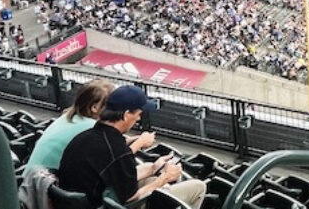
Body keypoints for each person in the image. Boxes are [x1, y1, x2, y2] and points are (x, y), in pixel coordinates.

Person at [58, 85, 205, 208]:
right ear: (127, 114)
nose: (139, 118)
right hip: (101, 204)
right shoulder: (116, 150)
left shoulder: (85, 137)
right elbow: (130, 200)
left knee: (151, 179)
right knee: (198, 187)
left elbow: (117, 176)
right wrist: (165, 178)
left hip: (84, 201)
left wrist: (154, 169)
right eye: (139, 114)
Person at [26, 80, 156, 174]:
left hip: (36, 183)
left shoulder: (70, 117)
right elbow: (114, 159)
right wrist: (140, 143)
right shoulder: (91, 128)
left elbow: (107, 147)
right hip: (46, 188)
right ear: (94, 108)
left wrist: (133, 140)